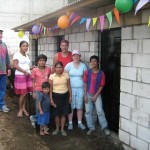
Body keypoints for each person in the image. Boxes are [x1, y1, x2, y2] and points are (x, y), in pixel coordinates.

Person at [83, 55, 110, 136]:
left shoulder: (101, 73)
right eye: (91, 61)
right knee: (88, 112)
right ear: (90, 62)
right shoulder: (87, 72)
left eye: (95, 61)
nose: (93, 63)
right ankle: (91, 127)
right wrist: (85, 95)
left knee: (100, 111)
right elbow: (85, 83)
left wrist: (95, 96)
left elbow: (102, 85)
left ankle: (104, 127)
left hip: (97, 95)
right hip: (88, 94)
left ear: (98, 62)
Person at [65, 50, 87, 130]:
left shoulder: (83, 66)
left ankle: (79, 123)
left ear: (80, 56)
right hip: (71, 89)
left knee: (79, 107)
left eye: (77, 55)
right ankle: (70, 123)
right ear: (72, 56)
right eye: (74, 55)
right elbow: (65, 77)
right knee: (71, 106)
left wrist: (85, 91)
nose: (75, 57)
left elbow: (85, 79)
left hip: (80, 89)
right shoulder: (69, 65)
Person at [49, 61, 72, 136]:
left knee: (63, 113)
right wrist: (51, 99)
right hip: (56, 96)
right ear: (55, 68)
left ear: (62, 68)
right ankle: (57, 129)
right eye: (57, 67)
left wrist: (70, 96)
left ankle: (62, 129)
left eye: (60, 67)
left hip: (65, 96)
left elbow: (69, 86)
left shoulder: (66, 75)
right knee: (56, 114)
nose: (59, 69)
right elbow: (50, 89)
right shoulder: (52, 76)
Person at [30, 54, 51, 128]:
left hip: (46, 91)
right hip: (38, 91)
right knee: (38, 107)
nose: (42, 62)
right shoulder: (34, 70)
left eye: (43, 60)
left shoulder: (48, 69)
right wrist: (33, 92)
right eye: (40, 60)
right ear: (38, 61)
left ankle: (43, 122)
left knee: (45, 107)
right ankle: (37, 121)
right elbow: (33, 82)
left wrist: (49, 90)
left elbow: (49, 80)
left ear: (45, 61)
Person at [13, 41, 32, 117]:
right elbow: (15, 65)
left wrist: (30, 68)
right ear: (20, 47)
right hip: (20, 76)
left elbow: (25, 65)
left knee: (25, 93)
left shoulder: (26, 55)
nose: (25, 47)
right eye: (23, 46)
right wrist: (24, 71)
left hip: (27, 75)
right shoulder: (17, 55)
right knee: (23, 94)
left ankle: (24, 108)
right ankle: (20, 110)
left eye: (27, 46)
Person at [0, 29, 11, 112]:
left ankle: (2, 105)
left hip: (3, 71)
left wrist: (9, 68)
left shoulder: (4, 45)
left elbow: (7, 57)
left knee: (2, 89)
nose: (0, 35)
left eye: (1, 34)